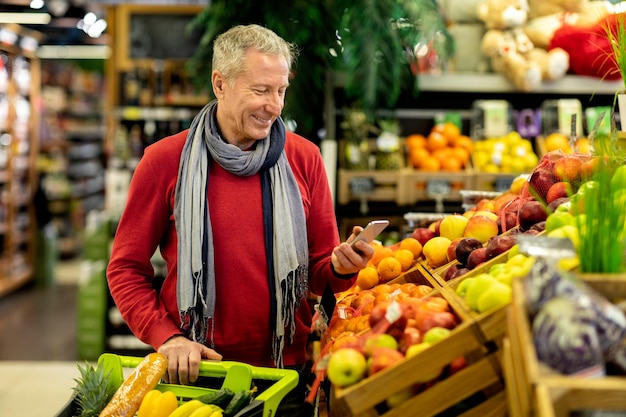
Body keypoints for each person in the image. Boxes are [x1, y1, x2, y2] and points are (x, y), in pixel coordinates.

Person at [106, 24, 374, 415]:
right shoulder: (164, 161)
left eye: (281, 91)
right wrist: (166, 338)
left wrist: (342, 266)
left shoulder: (305, 159)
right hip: (197, 377)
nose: (276, 106)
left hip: (286, 377)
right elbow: (125, 268)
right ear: (220, 84)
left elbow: (319, 271)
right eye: (261, 90)